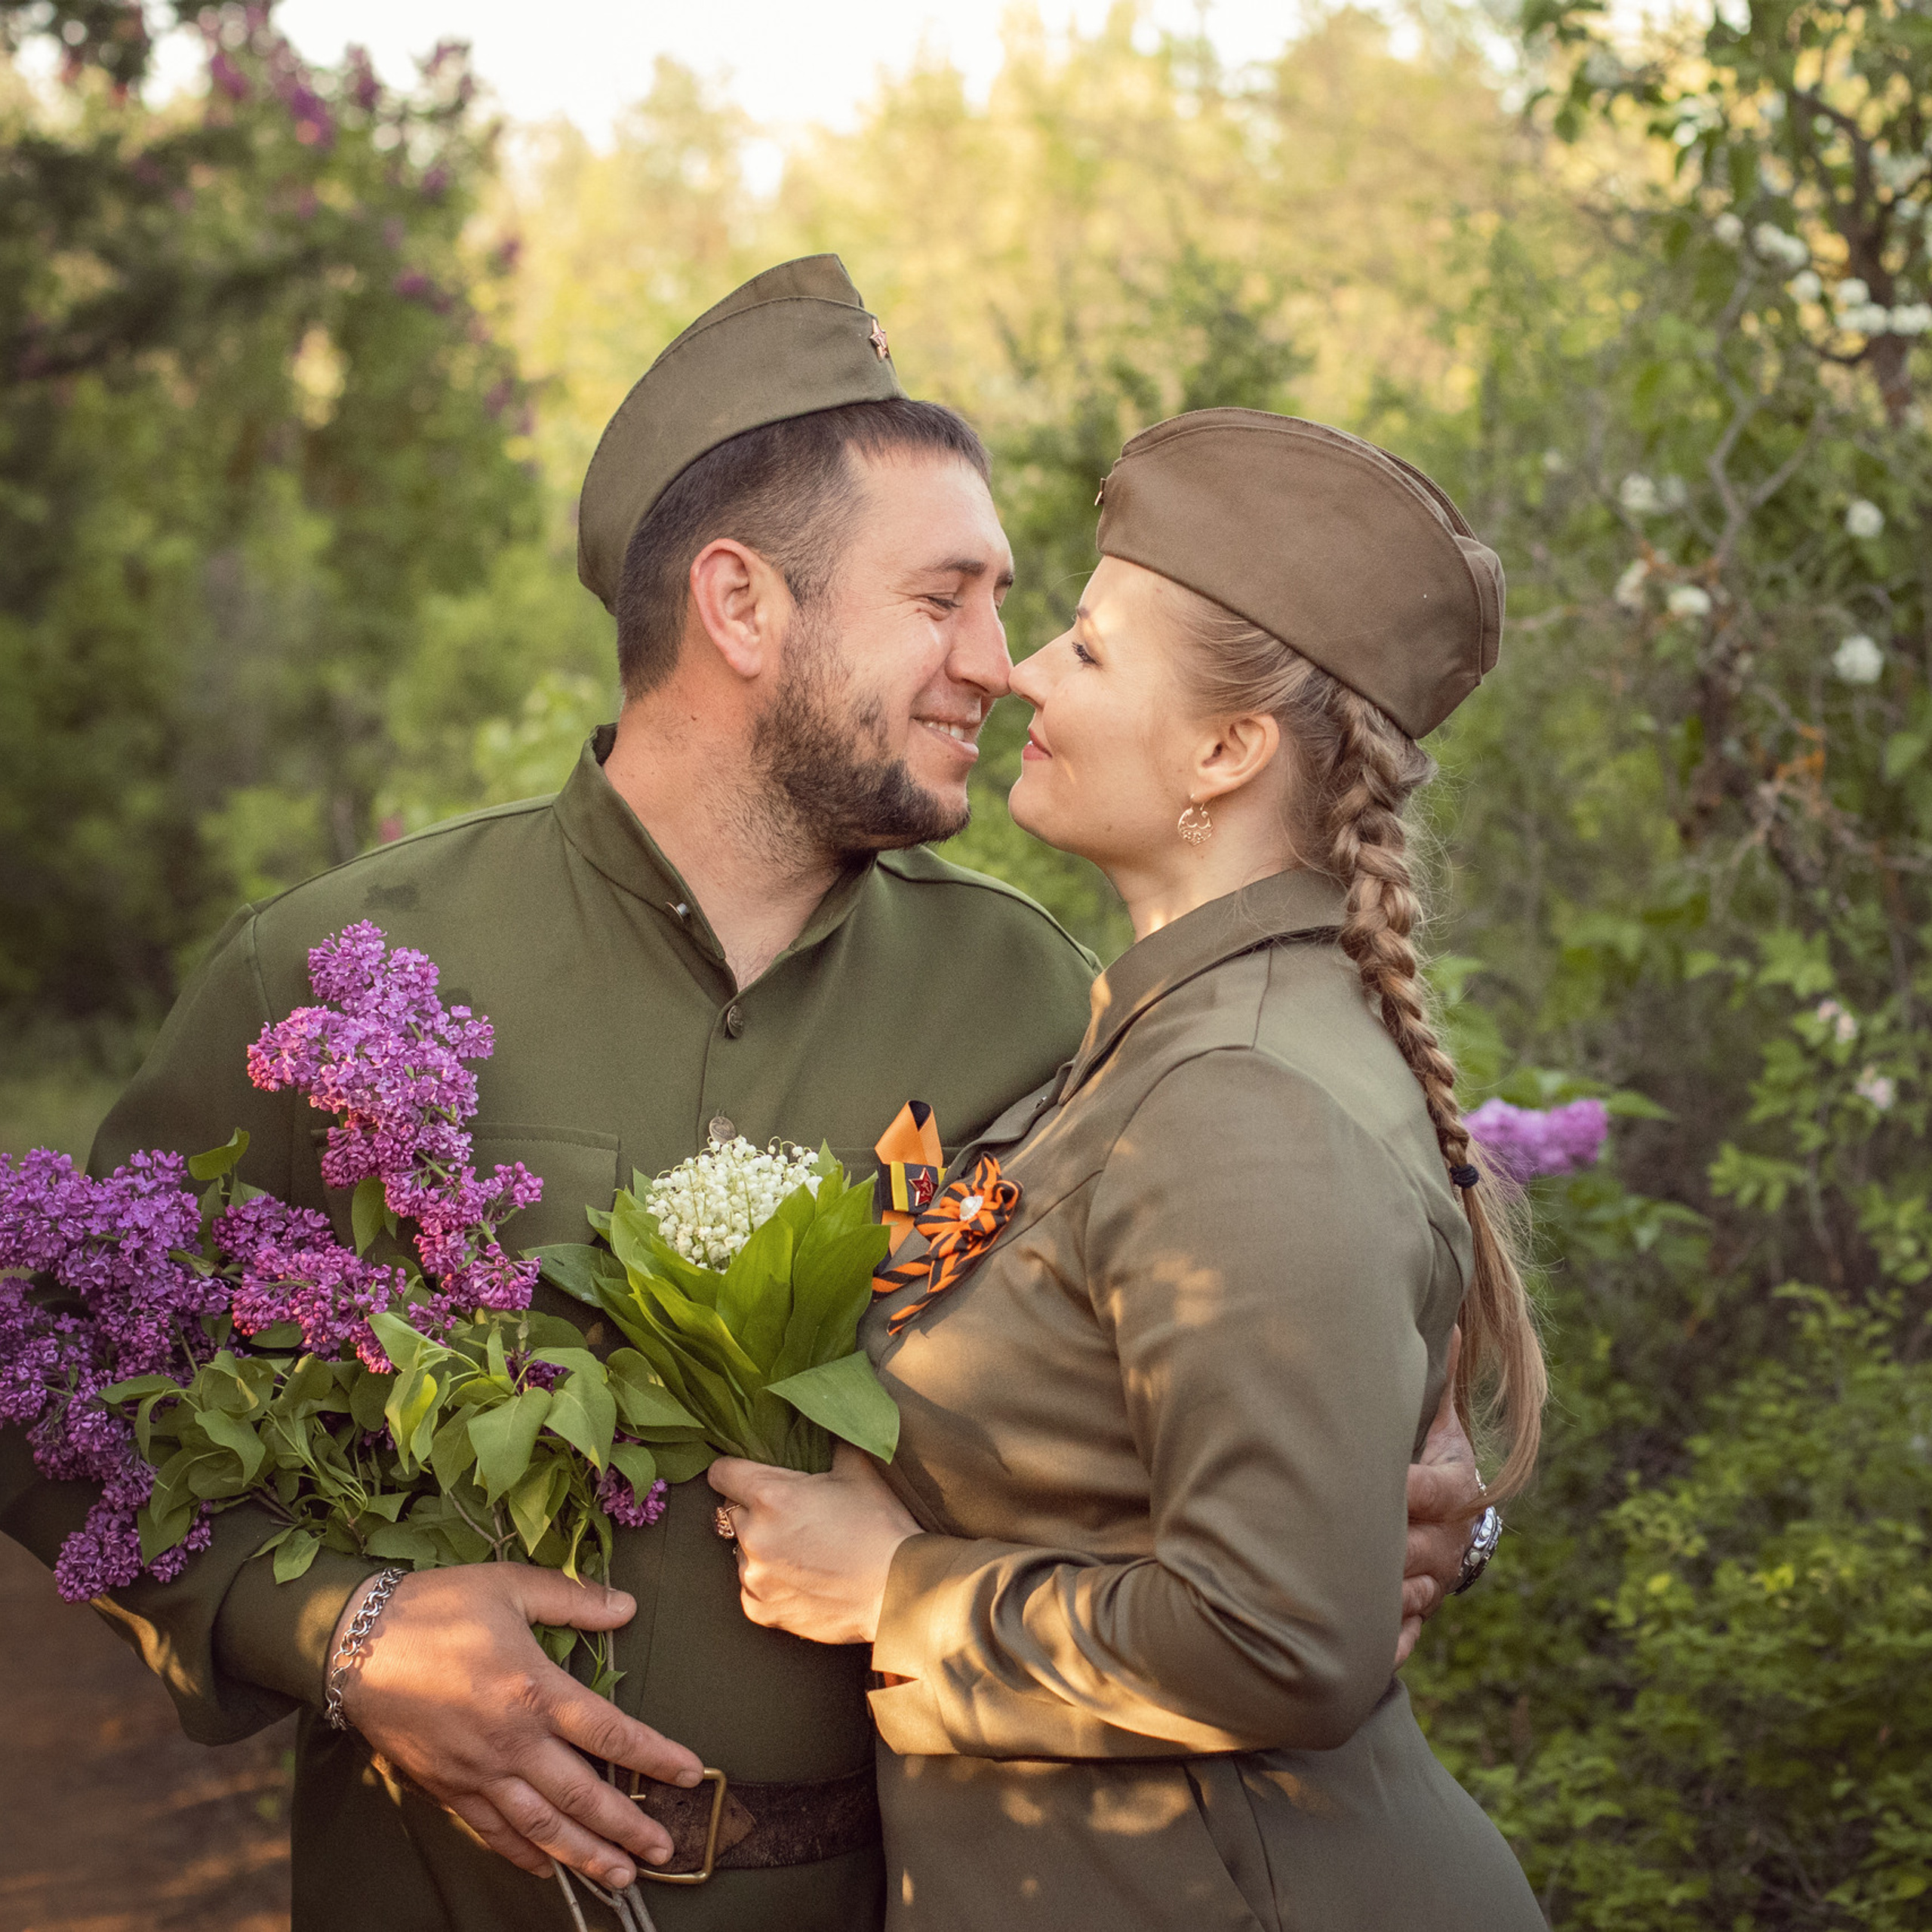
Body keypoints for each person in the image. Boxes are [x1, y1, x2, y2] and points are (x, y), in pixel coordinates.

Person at [0, 263, 1491, 1931]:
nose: (996, 668)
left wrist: (1435, 1510)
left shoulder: (1032, 997)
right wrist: (340, 1633)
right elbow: (50, 1373)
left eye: (1013, 607)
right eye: (944, 599)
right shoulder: (342, 972)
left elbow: (1229, 1373)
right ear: (740, 606)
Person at [708, 408, 1547, 1930]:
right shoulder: (1155, 1036)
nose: (1018, 668)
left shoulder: (1238, 1093)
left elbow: (1282, 1642)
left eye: (1085, 649)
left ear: (1227, 749)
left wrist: (896, 1592)